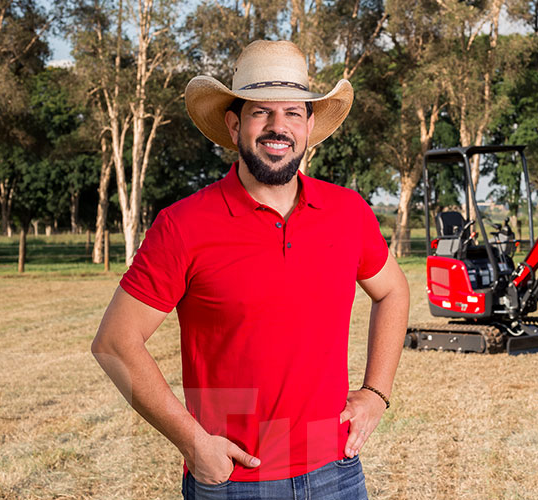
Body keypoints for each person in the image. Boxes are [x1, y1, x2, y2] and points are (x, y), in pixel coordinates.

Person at [90, 40, 410, 500]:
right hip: (233, 482)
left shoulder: (348, 211)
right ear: (235, 123)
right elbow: (115, 343)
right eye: (261, 112)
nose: (278, 127)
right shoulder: (183, 225)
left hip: (336, 474)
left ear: (309, 125)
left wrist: (375, 394)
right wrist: (193, 442)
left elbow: (393, 292)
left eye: (293, 113)